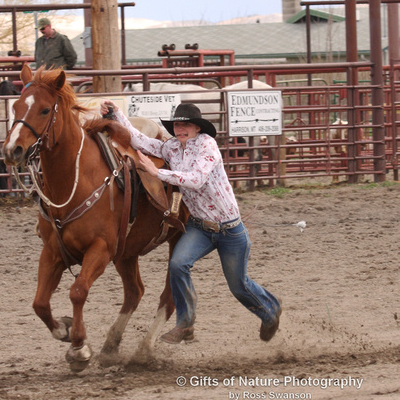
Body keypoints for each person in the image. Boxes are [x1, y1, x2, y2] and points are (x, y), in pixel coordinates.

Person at [100, 100, 282, 344]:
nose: (180, 128)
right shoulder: (172, 147)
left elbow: (196, 179)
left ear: (197, 128)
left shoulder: (208, 145)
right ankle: (185, 323)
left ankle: (271, 310)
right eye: (177, 124)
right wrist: (116, 114)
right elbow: (139, 140)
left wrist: (157, 173)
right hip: (201, 227)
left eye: (186, 125)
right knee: (178, 265)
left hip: (229, 229)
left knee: (239, 285)